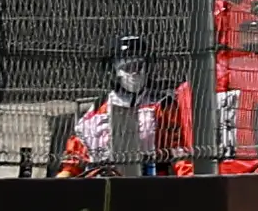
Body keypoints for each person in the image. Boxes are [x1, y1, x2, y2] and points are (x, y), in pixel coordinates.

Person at [57, 36, 186, 177]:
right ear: (114, 70)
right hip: (103, 180)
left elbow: (180, 150)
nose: (134, 73)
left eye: (138, 66)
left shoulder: (162, 104)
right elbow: (77, 152)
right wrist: (65, 175)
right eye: (127, 67)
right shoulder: (100, 107)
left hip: (151, 181)